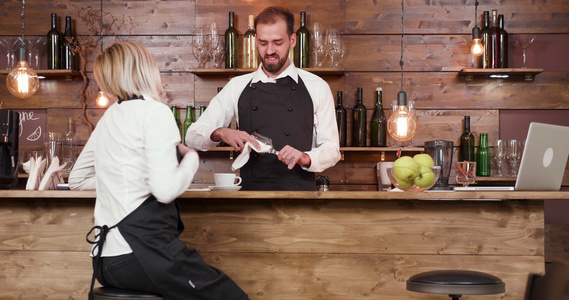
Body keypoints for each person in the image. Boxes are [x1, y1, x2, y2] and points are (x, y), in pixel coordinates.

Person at [68, 41, 249, 300]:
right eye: (154, 67)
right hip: (141, 255)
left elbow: (77, 180)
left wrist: (128, 179)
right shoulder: (155, 113)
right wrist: (192, 159)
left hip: (104, 263)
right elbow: (165, 191)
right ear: (143, 72)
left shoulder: (109, 117)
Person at [186, 6, 341, 191]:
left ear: (292, 40)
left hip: (300, 199)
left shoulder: (316, 86)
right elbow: (192, 136)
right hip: (250, 198)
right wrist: (221, 132)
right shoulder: (237, 85)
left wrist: (305, 157)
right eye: (263, 42)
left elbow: (332, 150)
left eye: (277, 42)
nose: (269, 51)